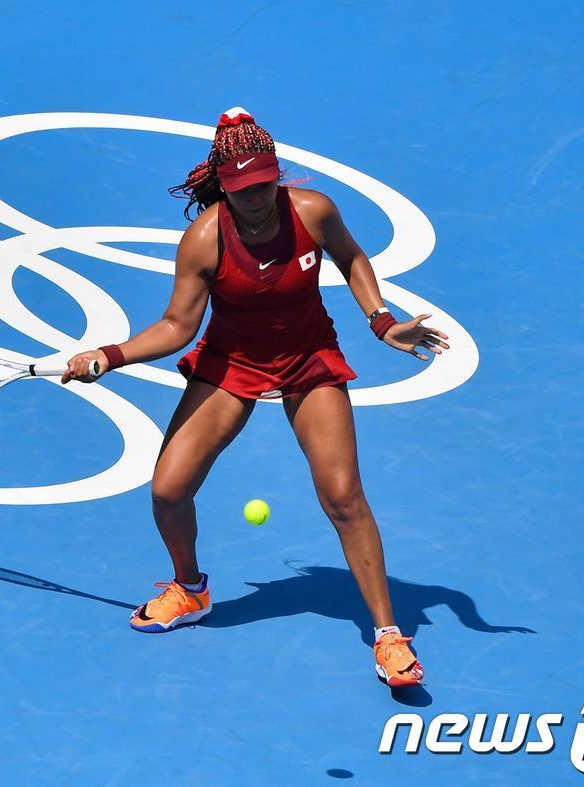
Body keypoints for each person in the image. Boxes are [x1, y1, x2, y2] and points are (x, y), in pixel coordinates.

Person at [61, 107, 449, 688]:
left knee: (344, 496)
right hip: (230, 363)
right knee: (169, 490)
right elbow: (176, 327)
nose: (256, 198)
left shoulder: (314, 212)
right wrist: (109, 355)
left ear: (275, 173)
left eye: (264, 184)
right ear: (223, 184)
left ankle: (390, 636)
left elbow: (352, 258)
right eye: (241, 189)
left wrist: (382, 322)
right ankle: (190, 589)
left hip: (307, 356)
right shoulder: (204, 240)